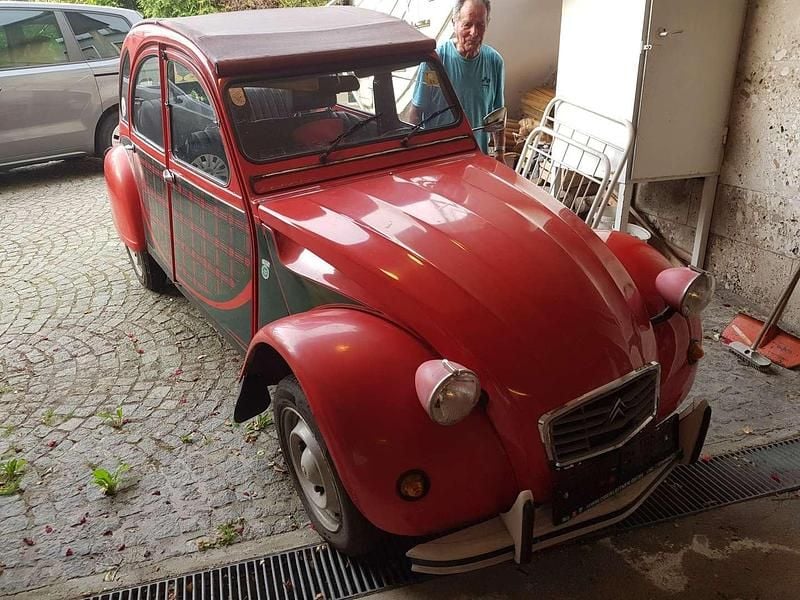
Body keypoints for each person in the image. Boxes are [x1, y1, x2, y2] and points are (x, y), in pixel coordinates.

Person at [409, 0, 505, 154]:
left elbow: (497, 115)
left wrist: (500, 153)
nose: (474, 33)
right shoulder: (434, 62)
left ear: (487, 24)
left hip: (477, 157)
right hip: (440, 159)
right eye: (467, 24)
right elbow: (416, 113)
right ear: (455, 23)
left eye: (480, 25)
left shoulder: (495, 62)